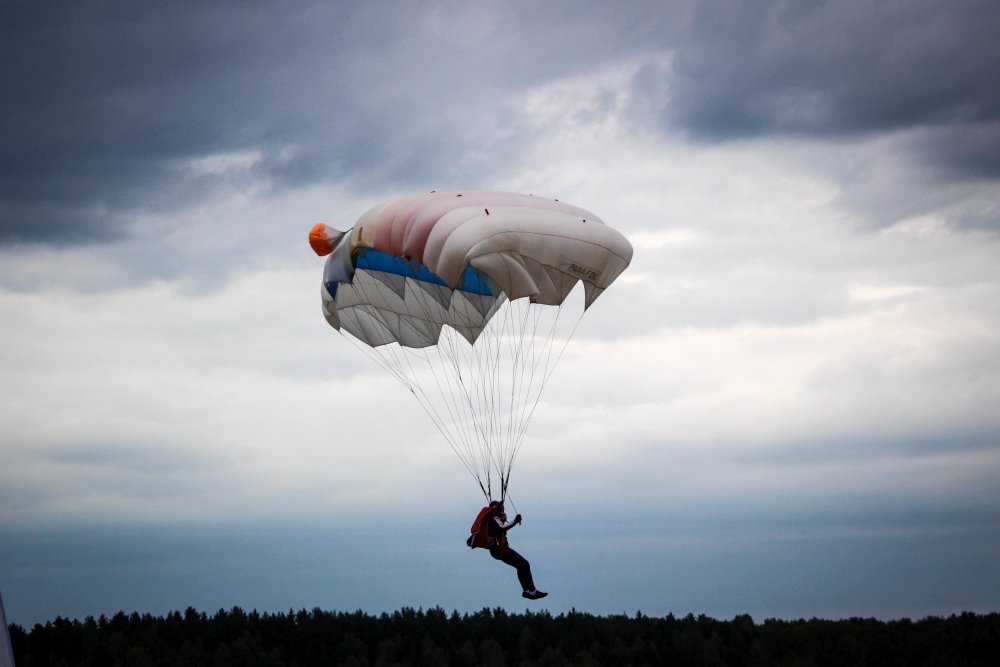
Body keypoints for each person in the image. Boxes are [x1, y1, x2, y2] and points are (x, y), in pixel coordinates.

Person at [485, 500, 547, 600]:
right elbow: (501, 528)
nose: (503, 510)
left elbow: (500, 527)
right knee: (524, 564)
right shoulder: (494, 518)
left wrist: (505, 520)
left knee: (521, 566)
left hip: (498, 550)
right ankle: (531, 591)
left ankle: (527, 591)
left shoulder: (493, 519)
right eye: (501, 509)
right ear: (497, 509)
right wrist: (515, 521)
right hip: (500, 550)